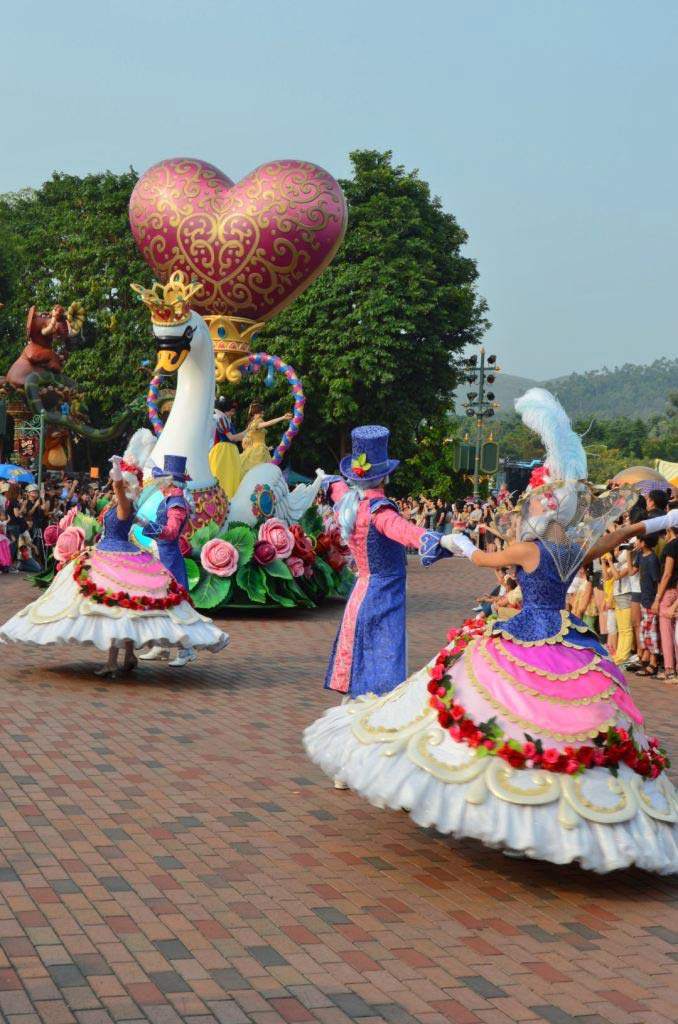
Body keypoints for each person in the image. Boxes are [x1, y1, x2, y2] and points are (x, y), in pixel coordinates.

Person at [304, 388, 678, 874]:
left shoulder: (527, 552)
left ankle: (512, 804)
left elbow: (482, 559)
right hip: (571, 638)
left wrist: (456, 541)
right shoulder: (573, 553)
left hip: (521, 632)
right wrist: (665, 519)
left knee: (496, 706)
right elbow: (622, 534)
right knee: (568, 717)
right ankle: (564, 808)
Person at [0, 442, 229, 677]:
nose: (160, 484)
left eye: (163, 480)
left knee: (125, 606)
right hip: (127, 554)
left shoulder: (152, 502)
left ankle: (179, 650)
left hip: (147, 556)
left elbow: (168, 530)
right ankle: (132, 654)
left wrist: (118, 471)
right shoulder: (150, 501)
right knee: (127, 606)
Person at [318, 425, 450, 721]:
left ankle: (357, 719)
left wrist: (325, 480)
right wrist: (439, 540)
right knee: (384, 663)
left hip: (361, 592)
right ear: (386, 475)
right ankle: (377, 724)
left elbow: (334, 486)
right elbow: (405, 531)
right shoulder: (380, 510)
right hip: (383, 596)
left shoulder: (348, 501)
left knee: (361, 660)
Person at [136, 455, 196, 667]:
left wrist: (144, 523)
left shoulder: (177, 504)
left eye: (162, 479)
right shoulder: (169, 500)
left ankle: (186, 649)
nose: (159, 483)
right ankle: (161, 647)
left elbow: (171, 533)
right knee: (159, 603)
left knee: (174, 604)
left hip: (169, 560)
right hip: (162, 556)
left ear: (170, 481)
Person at [652, 523, 678, 681]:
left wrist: (657, 598)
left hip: (668, 592)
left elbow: (667, 573)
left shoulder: (671, 547)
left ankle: (670, 669)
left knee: (667, 633)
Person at [240, 402, 293, 475]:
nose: (261, 415)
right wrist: (283, 417)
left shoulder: (254, 424)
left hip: (262, 449)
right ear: (254, 414)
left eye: (262, 413)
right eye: (259, 413)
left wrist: (267, 448)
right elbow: (269, 423)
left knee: (262, 471)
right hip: (258, 451)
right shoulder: (255, 424)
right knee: (259, 471)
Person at [208, 397, 246, 499]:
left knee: (231, 475)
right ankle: (220, 498)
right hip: (224, 450)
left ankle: (229, 498)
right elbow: (232, 438)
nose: (232, 413)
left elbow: (236, 438)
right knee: (223, 474)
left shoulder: (227, 421)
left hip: (230, 450)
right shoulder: (222, 420)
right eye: (230, 411)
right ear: (225, 410)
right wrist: (247, 430)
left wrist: (247, 432)